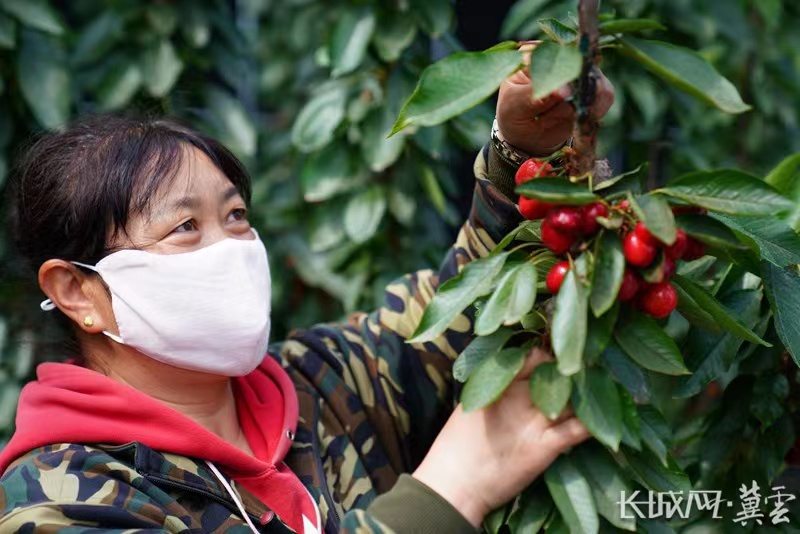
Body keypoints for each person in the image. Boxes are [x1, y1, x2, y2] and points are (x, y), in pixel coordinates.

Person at [0, 50, 614, 533]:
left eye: (236, 215)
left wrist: (525, 154)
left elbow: (465, 306)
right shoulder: (58, 499)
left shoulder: (319, 384)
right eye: (185, 227)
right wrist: (457, 486)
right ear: (78, 291)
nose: (230, 248)